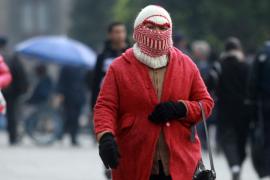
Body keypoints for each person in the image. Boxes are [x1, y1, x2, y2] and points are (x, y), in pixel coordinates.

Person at [94, 5, 214, 180]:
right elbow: (105, 106)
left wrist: (180, 109)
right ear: (137, 31)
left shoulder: (186, 64)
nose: (157, 32)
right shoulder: (119, 67)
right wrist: (105, 136)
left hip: (180, 162)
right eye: (150, 27)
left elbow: (206, 103)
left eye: (163, 28)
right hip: (135, 159)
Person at [215, 37, 251, 180]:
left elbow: (210, 84)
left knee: (228, 139)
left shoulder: (219, 65)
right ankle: (238, 166)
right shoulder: (245, 66)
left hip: (225, 109)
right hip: (243, 110)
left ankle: (234, 166)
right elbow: (251, 86)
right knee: (241, 140)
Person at [87, 22, 129, 109]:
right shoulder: (103, 57)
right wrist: (93, 105)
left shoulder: (132, 54)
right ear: (110, 35)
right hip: (107, 100)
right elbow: (96, 81)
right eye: (117, 32)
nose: (120, 35)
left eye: (122, 31)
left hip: (127, 100)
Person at [249, 41, 270, 180]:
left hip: (265, 102)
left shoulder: (262, 53)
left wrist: (252, 101)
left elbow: (253, 79)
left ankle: (265, 168)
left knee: (266, 135)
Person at [57, 66, 87, 146]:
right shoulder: (66, 68)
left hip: (79, 97)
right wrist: (61, 93)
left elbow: (85, 82)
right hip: (69, 97)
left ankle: (73, 137)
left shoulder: (82, 68)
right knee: (69, 117)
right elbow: (61, 81)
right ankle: (62, 135)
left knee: (75, 118)